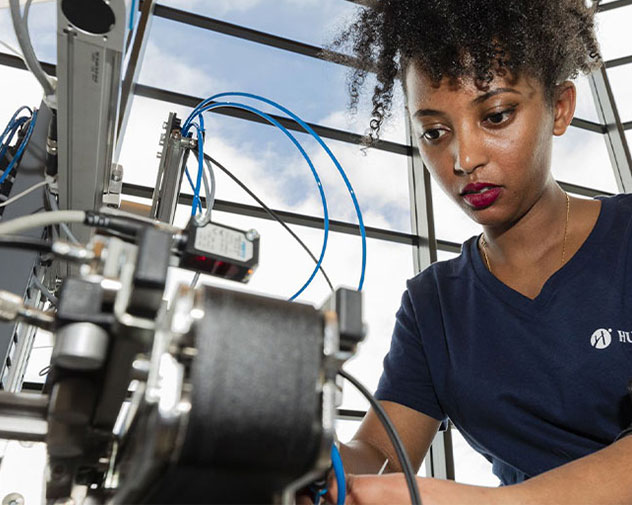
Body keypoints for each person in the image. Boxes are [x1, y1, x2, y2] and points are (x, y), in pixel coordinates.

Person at [326, 0, 632, 503]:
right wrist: (305, 448)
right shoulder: (434, 307)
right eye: (434, 132)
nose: (463, 158)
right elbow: (377, 455)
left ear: (560, 107)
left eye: (495, 115)